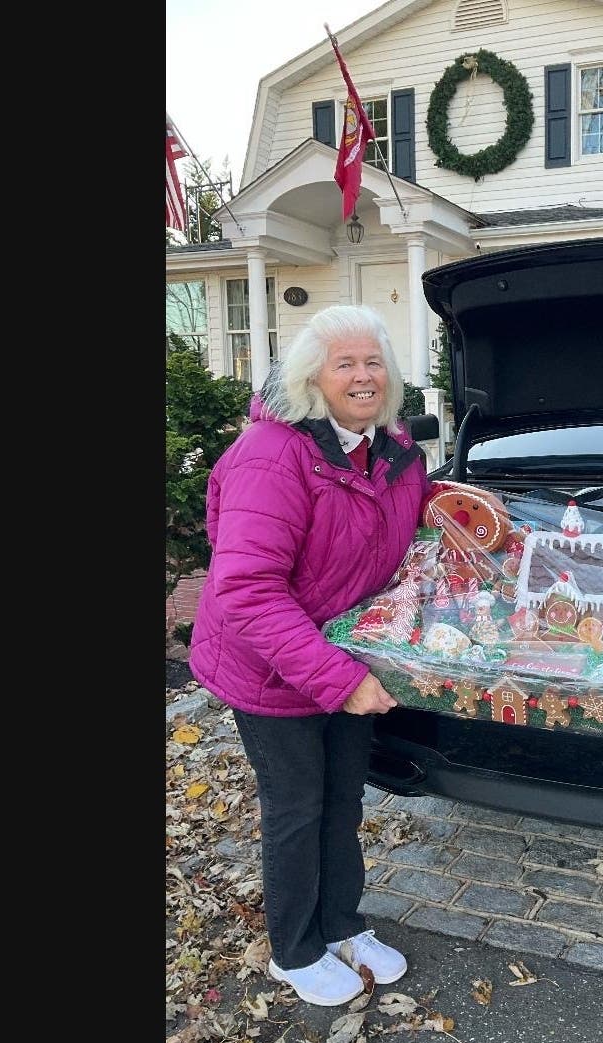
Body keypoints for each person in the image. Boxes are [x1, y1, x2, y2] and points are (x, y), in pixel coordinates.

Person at [189, 305, 432, 1007]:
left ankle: (341, 924)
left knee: (342, 801)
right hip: (269, 666)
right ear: (312, 378)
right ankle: (294, 950)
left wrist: (451, 507)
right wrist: (340, 678)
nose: (363, 376)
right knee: (297, 805)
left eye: (374, 362)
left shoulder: (392, 451)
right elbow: (246, 586)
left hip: (346, 661)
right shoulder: (274, 453)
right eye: (345, 363)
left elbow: (405, 517)